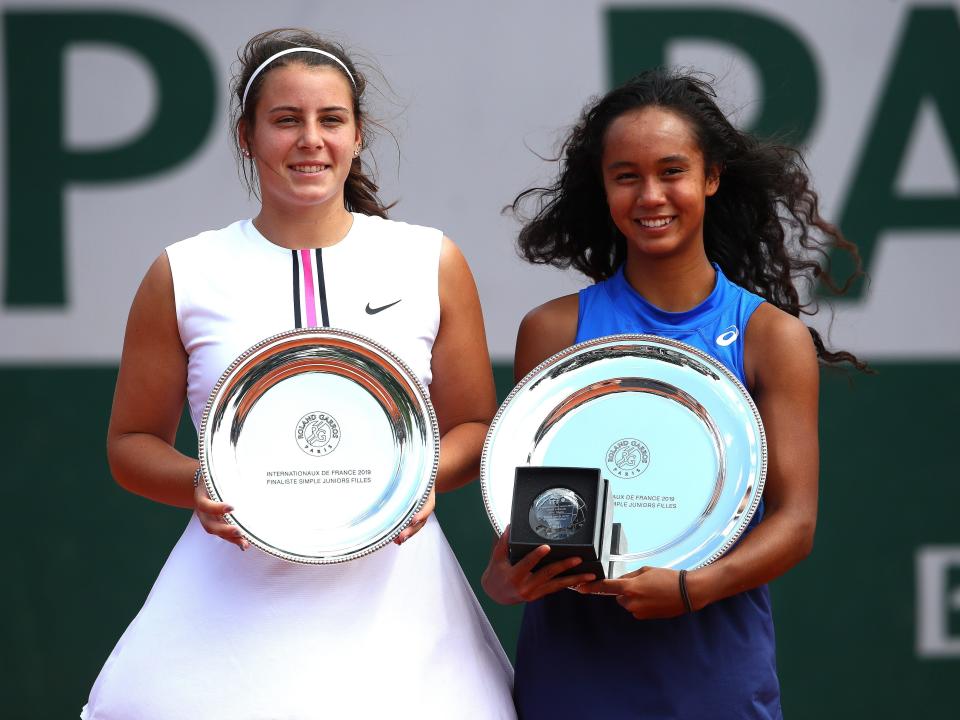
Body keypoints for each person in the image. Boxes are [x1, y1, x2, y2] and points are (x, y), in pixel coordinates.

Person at [82, 28, 515, 720]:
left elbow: (474, 426)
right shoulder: (184, 272)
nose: (310, 139)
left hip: (400, 611)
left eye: (330, 120)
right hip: (223, 608)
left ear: (357, 135)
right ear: (248, 137)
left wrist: (416, 479)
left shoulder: (429, 260)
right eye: (286, 120)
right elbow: (130, 445)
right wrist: (207, 483)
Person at [481, 69, 868, 719]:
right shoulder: (552, 332)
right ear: (603, 187)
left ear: (711, 177)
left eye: (672, 171)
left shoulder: (770, 338)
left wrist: (693, 588)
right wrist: (505, 577)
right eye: (625, 175)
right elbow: (543, 520)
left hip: (712, 684)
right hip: (572, 682)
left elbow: (795, 523)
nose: (650, 195)